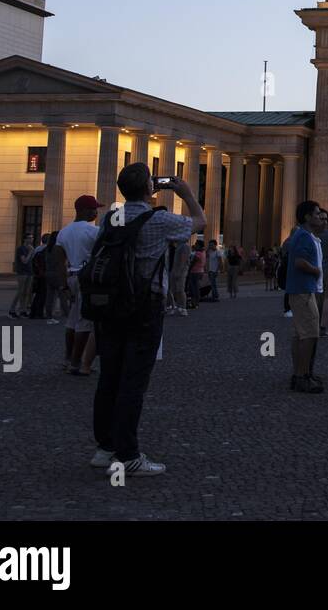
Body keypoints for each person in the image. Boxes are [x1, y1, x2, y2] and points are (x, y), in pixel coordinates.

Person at [90, 164, 203, 476]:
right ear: (150, 189)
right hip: (143, 305)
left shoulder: (111, 217)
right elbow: (199, 222)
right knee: (133, 380)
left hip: (110, 305)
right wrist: (186, 193)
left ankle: (105, 448)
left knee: (109, 376)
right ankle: (128, 456)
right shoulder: (158, 219)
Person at [57, 195, 101, 375]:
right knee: (86, 322)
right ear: (83, 210)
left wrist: (63, 285)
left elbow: (59, 261)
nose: (96, 212)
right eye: (93, 209)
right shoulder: (93, 231)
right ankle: (77, 362)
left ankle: (67, 358)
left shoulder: (64, 232)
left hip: (71, 275)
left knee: (72, 321)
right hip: (87, 277)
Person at [285, 201, 325, 394]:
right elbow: (300, 262)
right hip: (303, 290)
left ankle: (299, 374)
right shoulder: (304, 237)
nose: (320, 216)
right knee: (309, 334)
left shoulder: (302, 235)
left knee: (300, 334)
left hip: (300, 289)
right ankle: (302, 376)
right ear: (307, 216)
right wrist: (316, 270)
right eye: (317, 214)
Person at [10, 237, 34, 318]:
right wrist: (31, 252)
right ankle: (12, 309)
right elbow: (24, 261)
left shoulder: (30, 248)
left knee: (26, 292)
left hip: (29, 272)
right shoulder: (21, 249)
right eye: (30, 238)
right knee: (20, 291)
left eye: (32, 238)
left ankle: (23, 310)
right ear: (25, 239)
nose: (31, 240)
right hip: (22, 273)